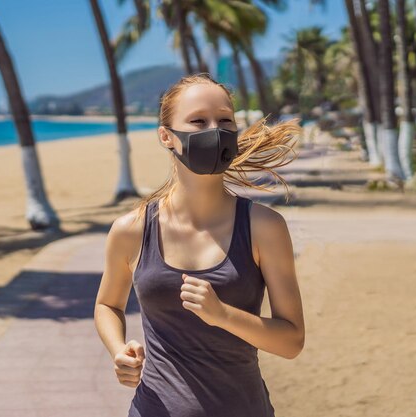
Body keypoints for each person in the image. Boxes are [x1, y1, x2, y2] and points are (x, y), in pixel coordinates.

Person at [94, 72, 306, 417]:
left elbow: (291, 341)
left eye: (225, 121)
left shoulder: (263, 227)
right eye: (198, 121)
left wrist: (222, 315)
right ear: (166, 137)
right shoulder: (131, 229)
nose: (215, 130)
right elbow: (107, 304)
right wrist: (118, 350)